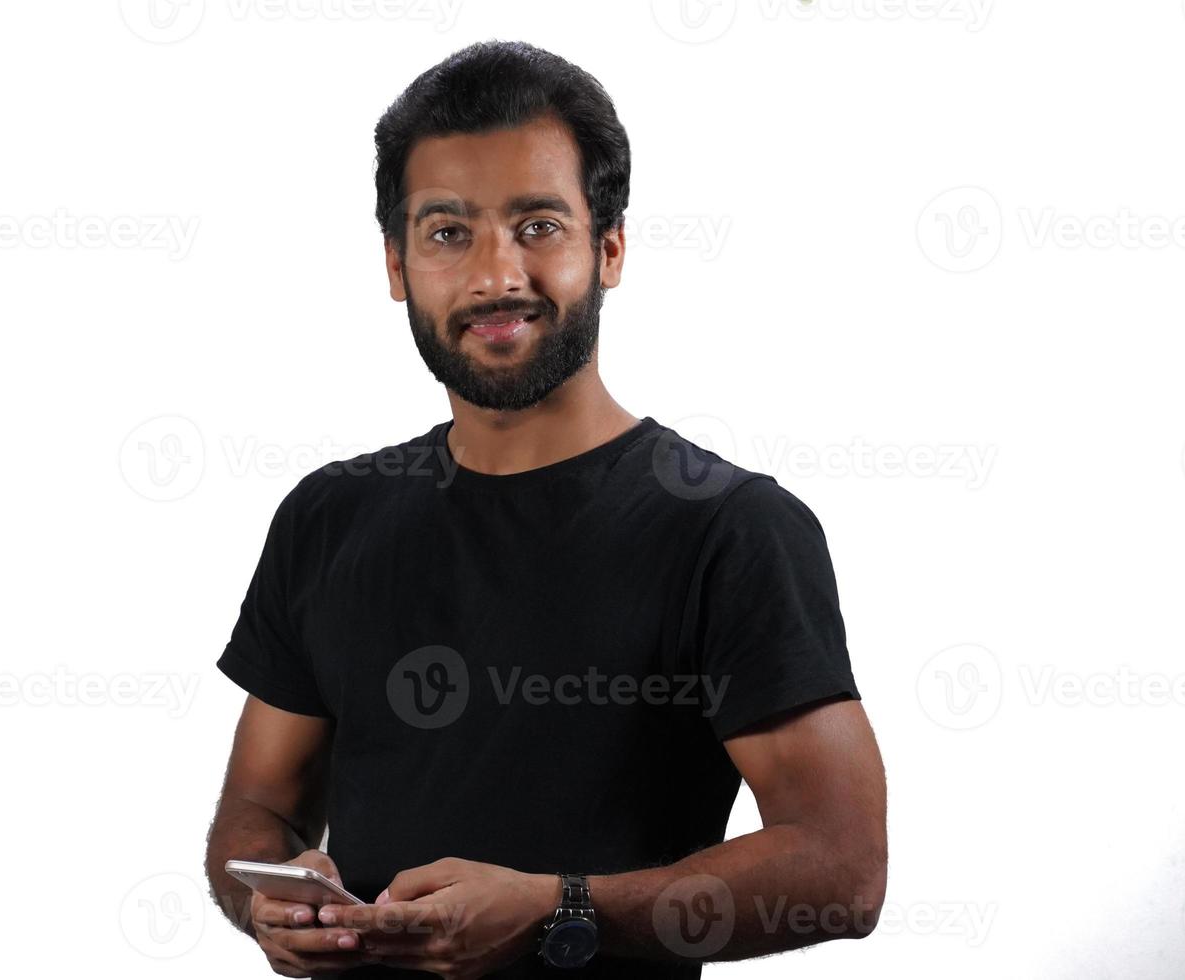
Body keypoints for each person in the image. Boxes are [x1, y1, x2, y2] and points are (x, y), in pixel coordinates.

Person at [204, 39, 886, 979]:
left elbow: (842, 870)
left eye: (538, 225)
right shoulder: (328, 516)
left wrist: (562, 911)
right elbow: (259, 807)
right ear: (397, 265)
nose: (495, 276)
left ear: (608, 248)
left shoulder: (730, 530)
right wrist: (269, 898)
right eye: (448, 232)